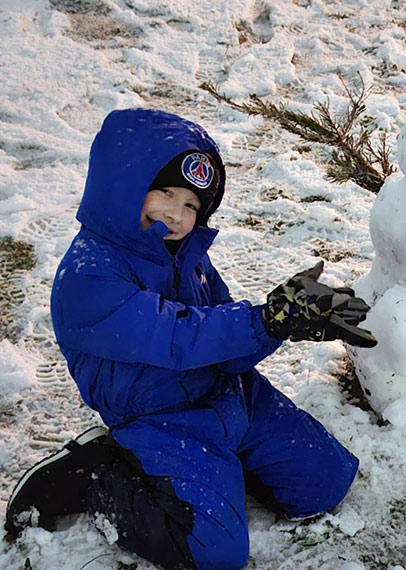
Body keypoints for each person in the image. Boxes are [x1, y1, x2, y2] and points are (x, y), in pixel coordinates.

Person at [5, 109, 376, 570]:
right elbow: (179, 337)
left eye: (192, 206)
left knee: (327, 482)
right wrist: (266, 320)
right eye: (165, 192)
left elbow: (224, 337)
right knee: (214, 554)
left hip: (228, 396)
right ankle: (98, 477)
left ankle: (221, 475)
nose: (177, 215)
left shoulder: (185, 255)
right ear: (123, 184)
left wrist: (284, 324)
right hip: (161, 419)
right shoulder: (89, 276)